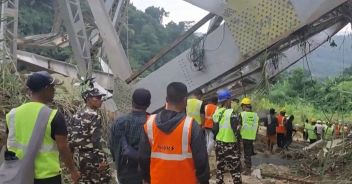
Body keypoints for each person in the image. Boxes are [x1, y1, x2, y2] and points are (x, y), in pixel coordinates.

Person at [5, 71, 79, 184]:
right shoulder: (53, 115)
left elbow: (8, 143)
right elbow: (63, 147)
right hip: (46, 176)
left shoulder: (12, 114)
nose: (54, 90)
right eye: (52, 87)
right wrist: (73, 171)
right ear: (45, 89)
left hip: (18, 175)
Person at [139, 82, 210, 184]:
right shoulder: (190, 125)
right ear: (185, 101)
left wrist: (147, 180)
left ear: (166, 99)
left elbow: (143, 158)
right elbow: (201, 160)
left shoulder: (149, 123)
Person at [68, 78, 111, 183]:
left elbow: (70, 140)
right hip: (93, 158)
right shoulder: (94, 115)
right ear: (89, 99)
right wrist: (102, 161)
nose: (101, 100)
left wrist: (72, 162)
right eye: (98, 97)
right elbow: (96, 140)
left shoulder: (75, 116)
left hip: (79, 158)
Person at [109, 88, 151, 184]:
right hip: (144, 177)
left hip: (123, 176)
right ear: (148, 104)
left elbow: (112, 147)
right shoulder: (152, 123)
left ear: (132, 102)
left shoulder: (118, 122)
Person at [212, 89, 242, 184]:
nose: (231, 102)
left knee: (220, 167)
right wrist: (239, 145)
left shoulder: (216, 112)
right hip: (230, 144)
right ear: (227, 100)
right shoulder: (231, 113)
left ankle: (219, 182)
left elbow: (216, 128)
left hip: (218, 143)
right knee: (235, 168)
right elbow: (236, 131)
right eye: (230, 100)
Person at [239, 97, 259, 175]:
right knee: (248, 153)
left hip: (243, 136)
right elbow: (256, 127)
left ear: (244, 106)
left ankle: (246, 169)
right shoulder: (255, 115)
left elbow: (239, 126)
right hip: (251, 137)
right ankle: (248, 167)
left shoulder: (241, 114)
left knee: (242, 153)